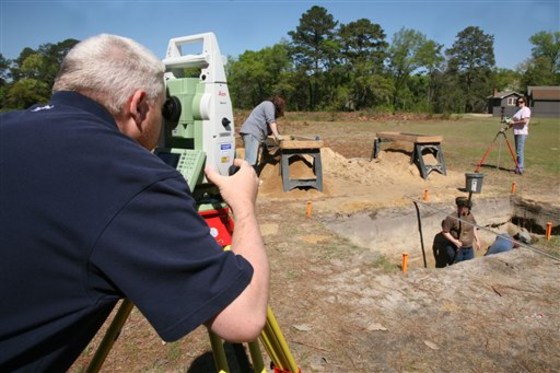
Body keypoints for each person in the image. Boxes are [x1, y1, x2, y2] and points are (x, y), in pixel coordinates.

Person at [0, 34, 269, 371]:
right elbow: (242, 318)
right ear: (139, 105)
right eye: (163, 109)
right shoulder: (130, 177)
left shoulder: (9, 126)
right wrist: (244, 204)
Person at [239, 96, 286, 171]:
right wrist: (277, 136)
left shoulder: (267, 107)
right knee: (250, 162)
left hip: (253, 133)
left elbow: (270, 127)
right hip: (252, 132)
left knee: (253, 159)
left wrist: (276, 134)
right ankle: (247, 180)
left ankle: (252, 178)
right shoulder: (269, 105)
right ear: (278, 106)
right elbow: (271, 122)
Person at [441, 197, 481, 264]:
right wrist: (455, 242)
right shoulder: (451, 218)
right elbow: (445, 232)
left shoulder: (470, 215)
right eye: (466, 208)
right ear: (461, 207)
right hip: (456, 249)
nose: (468, 210)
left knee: (469, 266)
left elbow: (473, 227)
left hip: (469, 248)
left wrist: (477, 240)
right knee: (456, 267)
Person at [507, 96, 531, 175]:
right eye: (518, 102)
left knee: (519, 151)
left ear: (524, 102)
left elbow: (524, 121)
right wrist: (506, 127)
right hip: (516, 132)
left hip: (522, 132)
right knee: (518, 151)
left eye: (521, 102)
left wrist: (514, 123)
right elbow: (513, 121)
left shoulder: (526, 110)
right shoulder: (518, 110)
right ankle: (518, 167)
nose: (519, 103)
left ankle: (520, 168)